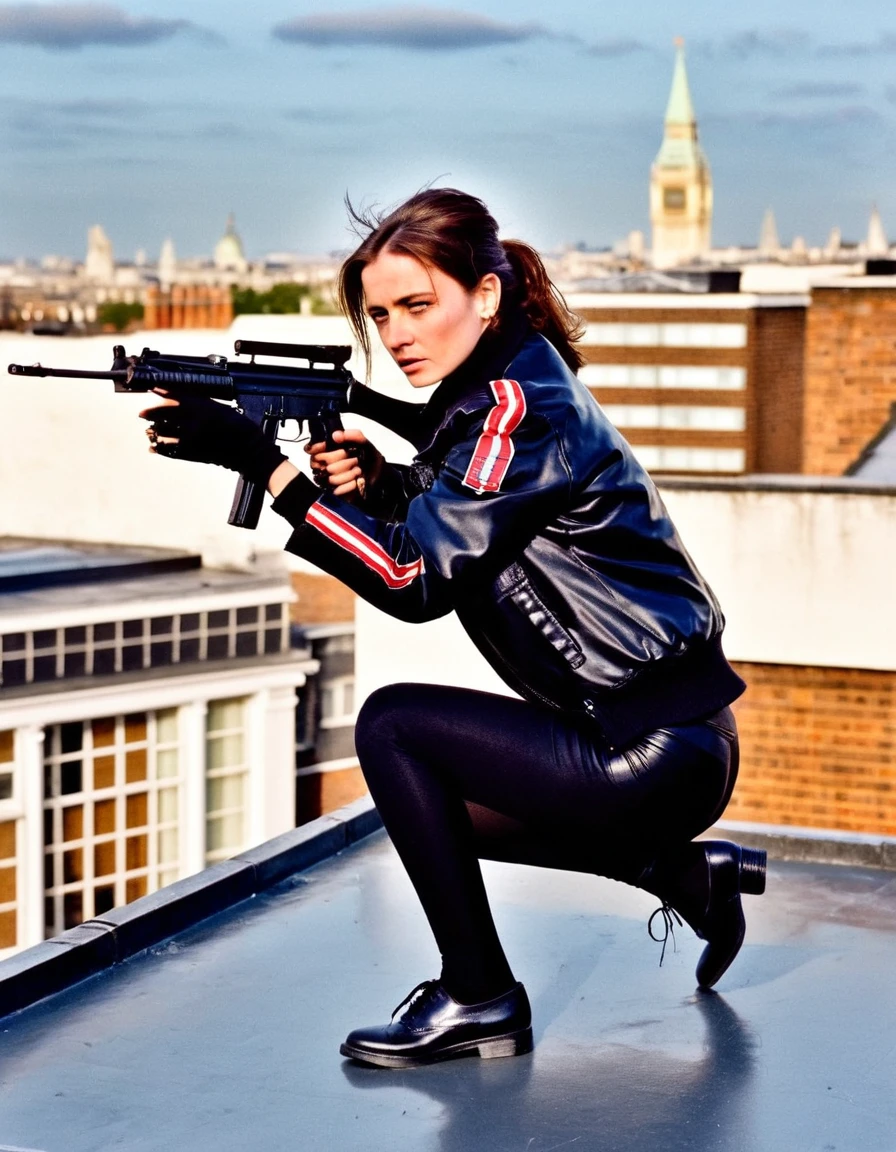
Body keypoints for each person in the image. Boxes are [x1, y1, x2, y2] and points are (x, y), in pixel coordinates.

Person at [140, 187, 766, 1070]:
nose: (395, 334)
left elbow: (416, 578)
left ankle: (479, 997)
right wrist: (385, 484)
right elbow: (479, 515)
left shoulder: (516, 407)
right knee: (426, 804)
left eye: (417, 305)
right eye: (381, 313)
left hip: (651, 745)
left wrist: (267, 468)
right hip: (646, 733)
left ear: (486, 295)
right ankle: (681, 875)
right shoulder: (502, 392)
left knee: (393, 728)